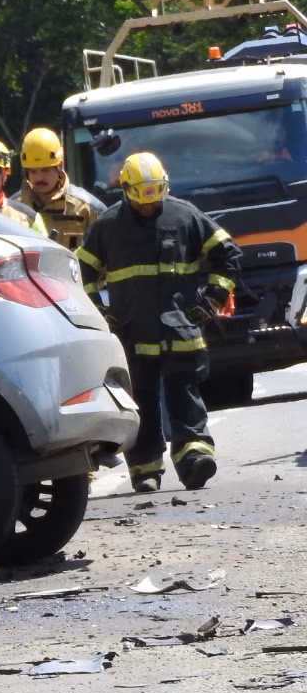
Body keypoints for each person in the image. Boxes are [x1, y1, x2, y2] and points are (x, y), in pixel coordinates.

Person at [77, 151, 242, 493]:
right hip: (133, 335)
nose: (150, 206)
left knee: (185, 396)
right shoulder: (107, 226)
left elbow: (227, 253)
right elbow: (80, 271)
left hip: (181, 332)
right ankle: (145, 470)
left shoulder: (185, 216)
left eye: (156, 195)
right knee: (143, 403)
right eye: (142, 199)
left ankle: (194, 458)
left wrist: (212, 298)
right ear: (126, 190)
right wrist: (97, 310)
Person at [17, 126, 102, 250]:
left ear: (60, 165)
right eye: (33, 171)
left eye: (45, 170)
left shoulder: (88, 208)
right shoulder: (14, 207)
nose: (39, 177)